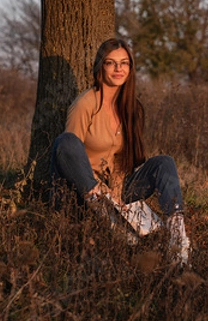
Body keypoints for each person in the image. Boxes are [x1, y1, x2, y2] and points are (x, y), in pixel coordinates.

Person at [50, 38, 190, 266]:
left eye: (124, 63)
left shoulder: (133, 109)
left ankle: (178, 239)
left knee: (164, 162)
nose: (118, 69)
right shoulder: (85, 104)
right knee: (65, 141)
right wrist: (105, 196)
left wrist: (116, 196)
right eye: (111, 63)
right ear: (100, 67)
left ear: (130, 68)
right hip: (83, 194)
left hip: (116, 192)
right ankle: (111, 219)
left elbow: (123, 162)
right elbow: (69, 156)